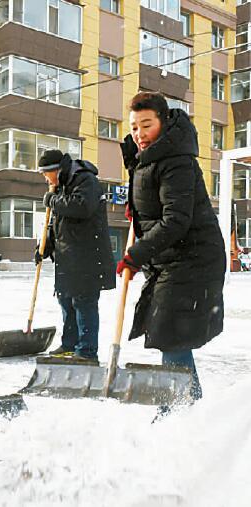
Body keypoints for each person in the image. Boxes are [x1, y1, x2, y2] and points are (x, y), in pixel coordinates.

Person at [118, 92, 226, 408]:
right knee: (169, 330)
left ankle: (180, 407)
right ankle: (184, 404)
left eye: (146, 125)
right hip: (172, 259)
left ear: (163, 122)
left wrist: (136, 254)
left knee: (170, 330)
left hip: (194, 258)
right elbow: (158, 205)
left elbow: (176, 220)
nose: (139, 134)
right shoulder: (149, 158)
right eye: (135, 127)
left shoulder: (175, 160)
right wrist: (136, 212)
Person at [36, 149, 116, 364]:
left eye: (46, 173)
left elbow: (82, 207)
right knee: (66, 300)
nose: (45, 178)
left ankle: (87, 351)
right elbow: (59, 222)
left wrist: (52, 200)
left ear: (56, 170)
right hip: (69, 256)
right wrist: (46, 245)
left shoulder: (84, 179)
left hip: (87, 256)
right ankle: (69, 345)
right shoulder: (63, 185)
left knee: (83, 303)